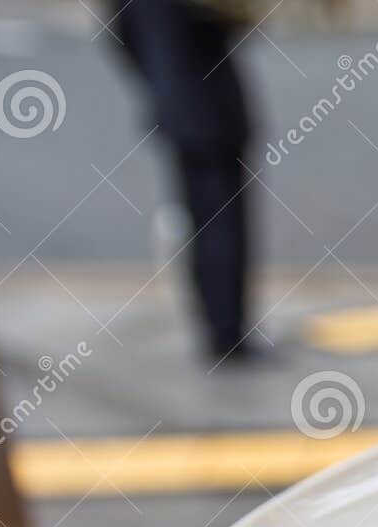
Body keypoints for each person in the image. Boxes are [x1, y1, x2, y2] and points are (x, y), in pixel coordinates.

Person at [107, 0, 259, 363]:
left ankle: (216, 326)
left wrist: (158, 84)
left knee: (201, 218)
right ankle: (227, 335)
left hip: (177, 110)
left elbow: (122, 37)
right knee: (223, 225)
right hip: (212, 110)